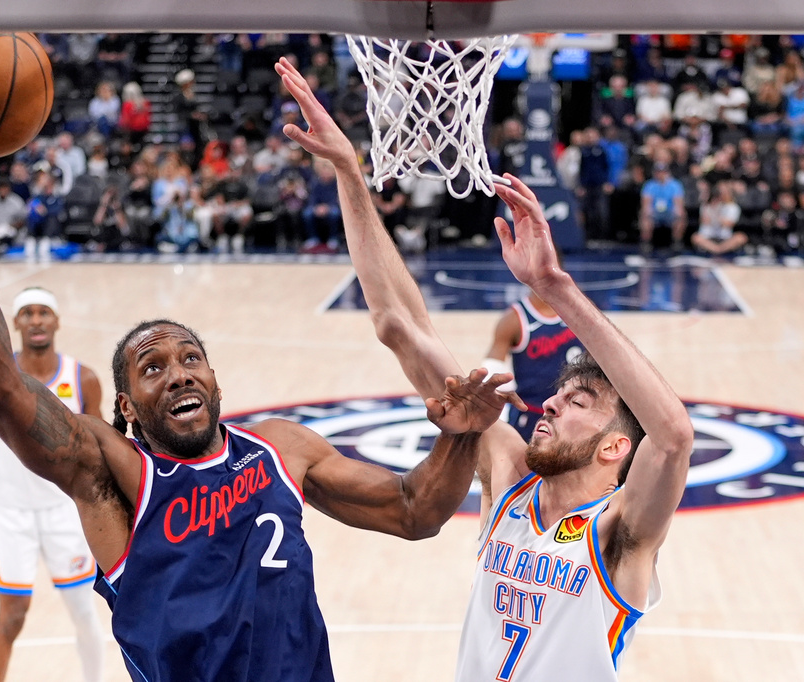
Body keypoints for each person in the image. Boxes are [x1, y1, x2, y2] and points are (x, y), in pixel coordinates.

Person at [0, 64, 516, 682]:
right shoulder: (111, 475)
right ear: (128, 406)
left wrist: (457, 435)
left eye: (191, 358)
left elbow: (414, 511)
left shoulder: (280, 448)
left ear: (216, 380)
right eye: (153, 367)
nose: (179, 374)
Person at [274, 56, 693, 682]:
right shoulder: (511, 478)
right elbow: (400, 325)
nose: (549, 404)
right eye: (560, 395)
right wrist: (347, 171)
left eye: (579, 402)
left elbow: (673, 436)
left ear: (615, 448)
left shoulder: (621, 530)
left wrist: (556, 286)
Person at [0, 287, 106, 682]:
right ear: (16, 323)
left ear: (56, 321)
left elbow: (102, 447)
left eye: (43, 312)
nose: (36, 320)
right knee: (12, 619)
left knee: (85, 614)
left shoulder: (81, 378)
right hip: (9, 513)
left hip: (66, 511)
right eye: (28, 313)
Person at [483, 290, 585, 442]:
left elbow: (598, 355)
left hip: (571, 412)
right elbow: (493, 366)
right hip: (529, 413)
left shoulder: (580, 312)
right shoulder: (514, 318)